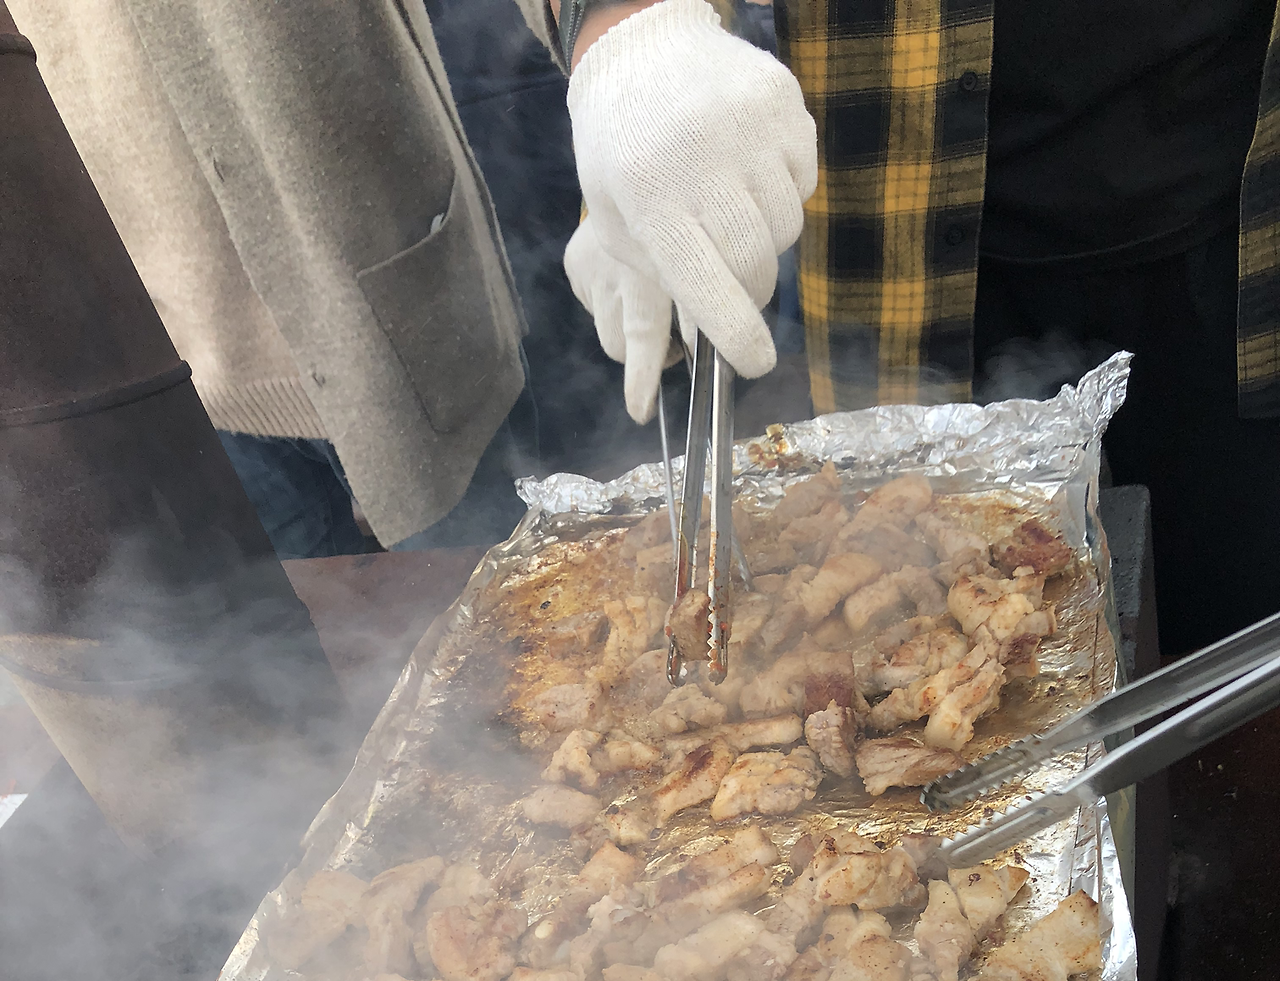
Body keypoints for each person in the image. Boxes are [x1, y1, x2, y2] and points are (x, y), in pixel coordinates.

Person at [543, 0, 1280, 653]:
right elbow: (630, 32)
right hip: (889, 238)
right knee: (883, 621)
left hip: (1241, 225)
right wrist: (629, 38)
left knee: (1237, 645)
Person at [12, 0, 530, 559]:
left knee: (522, 595)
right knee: (308, 613)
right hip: (184, 359)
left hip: (394, 317)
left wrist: (593, 45)